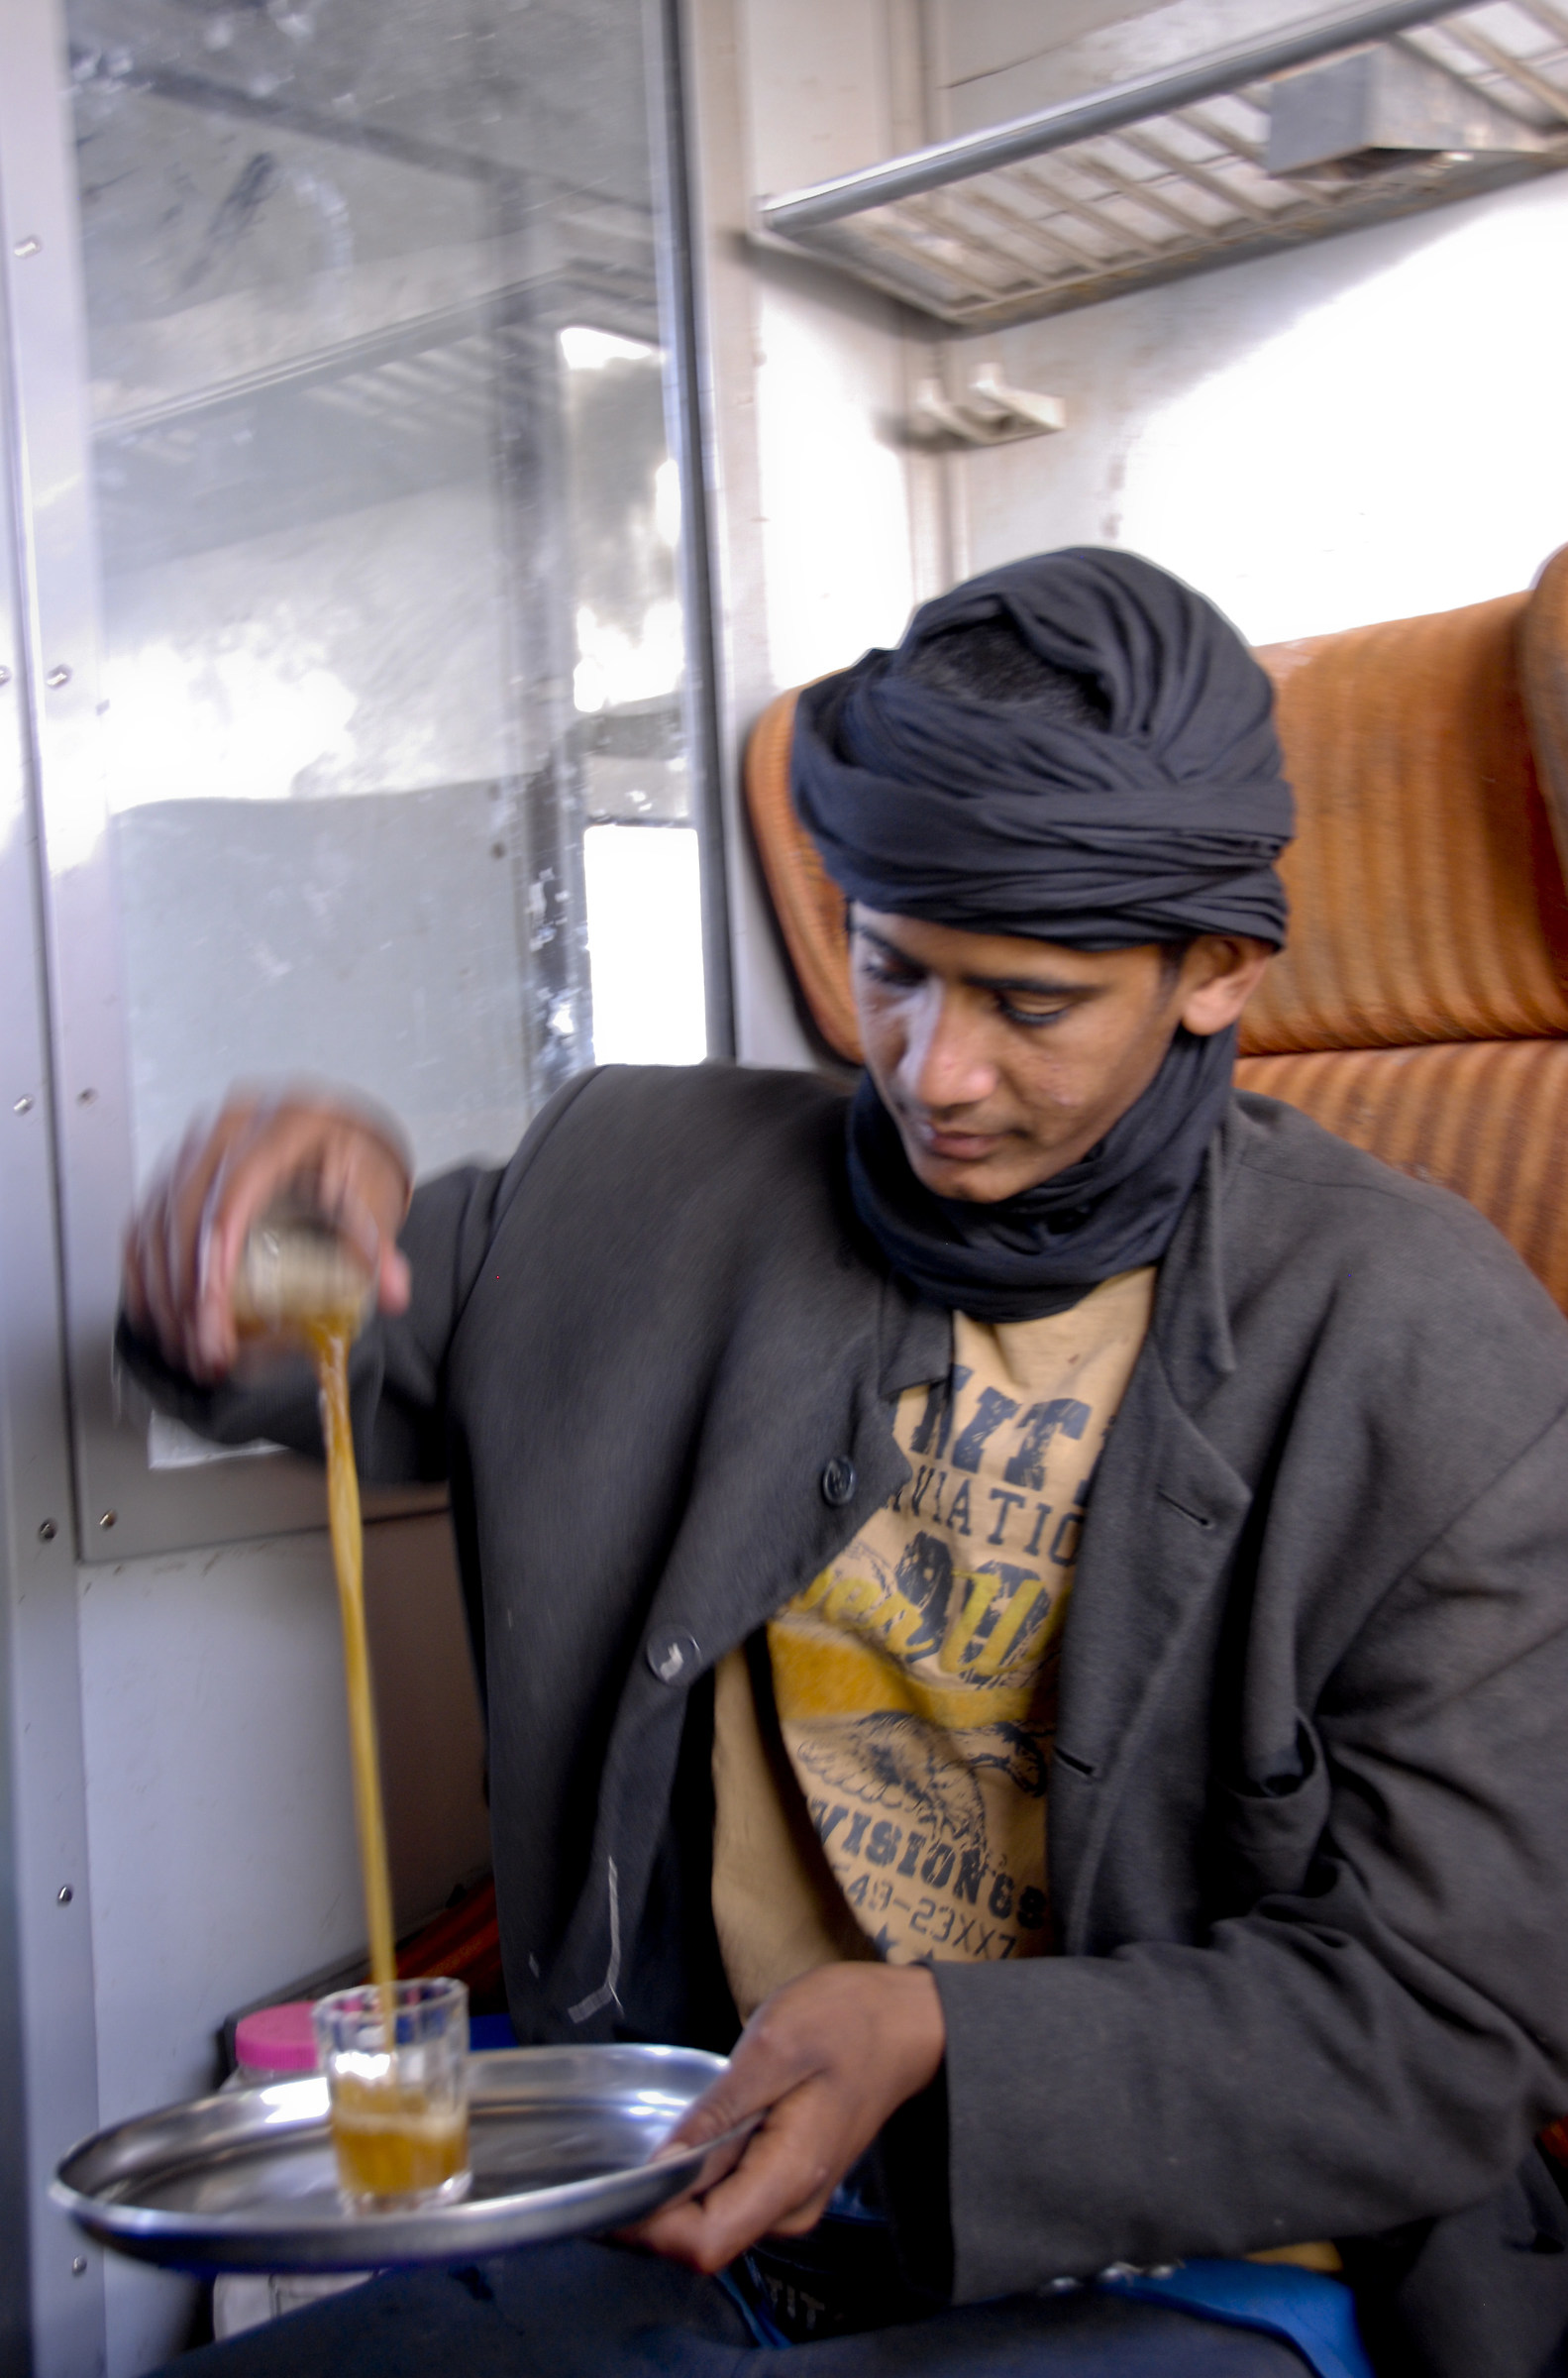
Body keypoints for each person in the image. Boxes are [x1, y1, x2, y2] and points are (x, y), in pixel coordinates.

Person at [122, 550, 1568, 2378]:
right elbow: (309, 1359)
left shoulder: (1425, 1346)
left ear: (1216, 972)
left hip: (1216, 2264)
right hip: (693, 2214)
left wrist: (943, 2040)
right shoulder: (635, 1186)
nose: (931, 1069)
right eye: (891, 968)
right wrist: (266, 1242)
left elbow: (1451, 2023)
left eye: (1028, 1005)